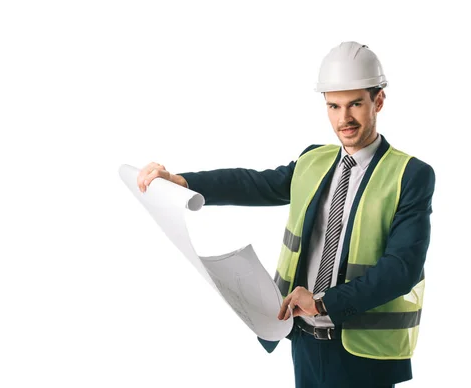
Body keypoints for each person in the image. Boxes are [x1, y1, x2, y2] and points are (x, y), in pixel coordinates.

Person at [136, 41, 435, 388]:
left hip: (365, 352)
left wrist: (323, 303)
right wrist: (180, 182)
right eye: (334, 106)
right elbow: (254, 184)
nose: (344, 119)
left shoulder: (410, 175)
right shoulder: (314, 160)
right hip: (305, 341)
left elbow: (402, 269)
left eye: (355, 104)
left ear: (378, 101)